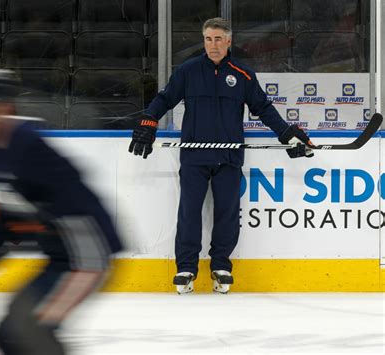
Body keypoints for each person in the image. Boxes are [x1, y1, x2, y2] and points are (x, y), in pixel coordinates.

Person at [0, 68, 123, 354]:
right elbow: (7, 226)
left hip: (86, 260)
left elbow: (70, 203)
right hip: (61, 260)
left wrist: (43, 220)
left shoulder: (26, 145)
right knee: (7, 334)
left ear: (2, 109)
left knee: (29, 330)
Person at [129, 18, 313, 294]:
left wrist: (287, 134)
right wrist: (148, 121)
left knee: (227, 212)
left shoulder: (243, 74)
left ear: (229, 41)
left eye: (218, 39)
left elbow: (263, 108)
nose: (212, 45)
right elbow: (165, 99)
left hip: (229, 156)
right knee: (189, 212)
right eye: (207, 39)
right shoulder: (188, 71)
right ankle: (186, 267)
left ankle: (221, 264)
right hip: (194, 156)